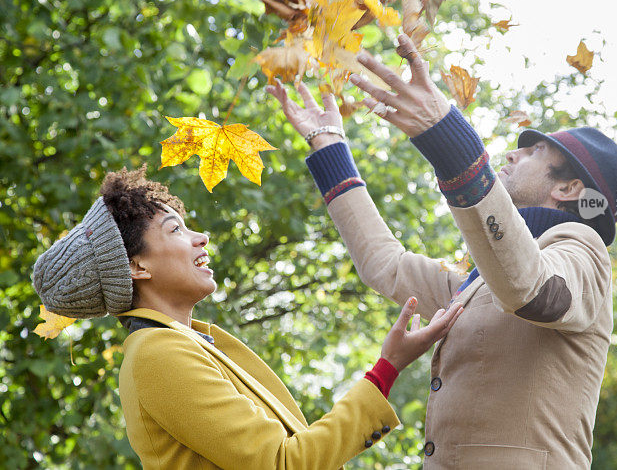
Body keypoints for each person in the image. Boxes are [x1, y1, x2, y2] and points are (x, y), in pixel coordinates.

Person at [267, 33, 617, 469]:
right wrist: (329, 146)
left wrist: (448, 136)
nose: (515, 154)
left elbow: (531, 287)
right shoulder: (479, 278)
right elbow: (386, 267)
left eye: (535, 150)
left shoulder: (584, 251)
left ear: (568, 188)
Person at [32, 165, 463, 470]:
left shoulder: (186, 342)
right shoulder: (157, 354)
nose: (200, 237)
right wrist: (386, 369)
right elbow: (284, 463)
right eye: (175, 229)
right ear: (136, 267)